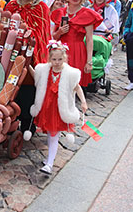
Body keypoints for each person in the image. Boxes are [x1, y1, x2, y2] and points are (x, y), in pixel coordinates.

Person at [3, 0, 52, 134]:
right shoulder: (11, 5)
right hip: (13, 53)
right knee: (10, 87)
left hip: (32, 57)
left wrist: (27, 36)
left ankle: (27, 124)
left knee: (27, 90)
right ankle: (9, 120)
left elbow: (43, 33)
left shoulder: (42, 8)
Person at [29, 40, 88, 175]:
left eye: (60, 59)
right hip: (47, 107)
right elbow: (36, 78)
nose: (57, 62)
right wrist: (27, 66)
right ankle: (49, 158)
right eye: (54, 59)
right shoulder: (44, 70)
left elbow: (77, 87)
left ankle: (49, 164)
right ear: (49, 58)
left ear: (65, 58)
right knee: (50, 133)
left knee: (54, 134)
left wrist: (83, 102)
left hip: (59, 109)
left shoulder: (69, 73)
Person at [52, 0, 103, 87]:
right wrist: (60, 32)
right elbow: (53, 37)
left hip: (77, 50)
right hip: (60, 50)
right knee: (58, 81)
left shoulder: (87, 14)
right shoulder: (59, 12)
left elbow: (89, 39)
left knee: (73, 83)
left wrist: (89, 62)